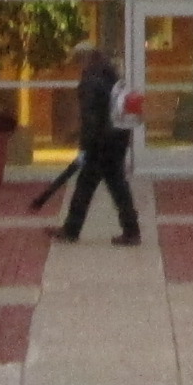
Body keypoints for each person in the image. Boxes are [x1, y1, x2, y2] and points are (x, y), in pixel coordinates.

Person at [56, 46, 141, 246]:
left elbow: (90, 118)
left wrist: (85, 145)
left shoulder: (90, 81)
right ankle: (131, 230)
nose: (77, 66)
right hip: (118, 138)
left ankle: (71, 230)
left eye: (77, 61)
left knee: (86, 186)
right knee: (117, 186)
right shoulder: (112, 76)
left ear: (83, 59)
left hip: (99, 142)